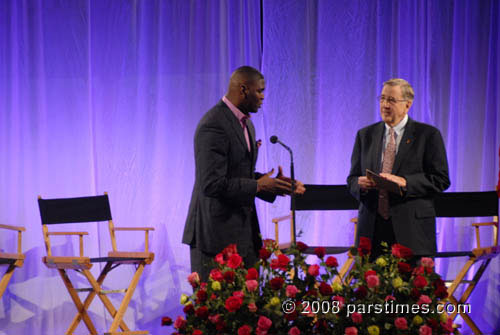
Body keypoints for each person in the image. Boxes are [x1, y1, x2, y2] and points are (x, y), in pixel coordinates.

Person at [182, 66, 305, 281]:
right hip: (214, 237)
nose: (263, 97)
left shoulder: (247, 125)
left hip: (244, 234)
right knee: (217, 312)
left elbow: (239, 173)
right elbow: (211, 184)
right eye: (259, 91)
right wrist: (258, 185)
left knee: (249, 310)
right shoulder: (213, 124)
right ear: (243, 89)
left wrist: (273, 184)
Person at [347, 78, 450, 259]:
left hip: (411, 232)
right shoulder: (365, 135)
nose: (385, 105)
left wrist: (406, 182)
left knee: (413, 287)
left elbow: (441, 179)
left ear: (407, 105)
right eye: (382, 99)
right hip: (372, 230)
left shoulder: (428, 135)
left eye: (391, 100)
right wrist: (359, 184)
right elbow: (352, 179)